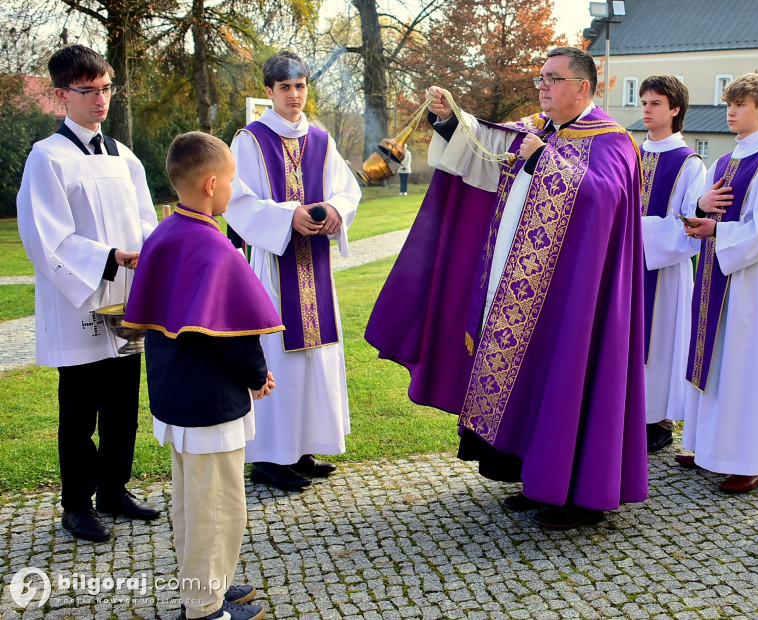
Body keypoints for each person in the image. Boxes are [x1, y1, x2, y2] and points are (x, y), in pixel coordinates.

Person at [365, 46, 647, 529]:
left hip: (572, 298)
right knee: (528, 378)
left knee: (565, 378)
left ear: (583, 88)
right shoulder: (535, 128)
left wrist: (547, 164)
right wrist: (450, 121)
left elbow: (605, 198)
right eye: (540, 77)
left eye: (553, 79)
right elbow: (486, 153)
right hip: (517, 288)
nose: (542, 86)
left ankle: (576, 496)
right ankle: (533, 476)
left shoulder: (613, 140)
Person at [124, 132, 283, 620]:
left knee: (193, 502)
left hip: (176, 394)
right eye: (232, 181)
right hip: (210, 403)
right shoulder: (213, 250)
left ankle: (213, 580)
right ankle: (204, 607)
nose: (233, 189)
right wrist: (258, 376)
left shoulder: (165, 234)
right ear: (213, 184)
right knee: (218, 507)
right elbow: (234, 335)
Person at [16, 45, 160, 542]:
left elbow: (147, 217)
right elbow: (43, 233)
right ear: (61, 95)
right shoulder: (47, 157)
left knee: (123, 402)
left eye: (105, 88)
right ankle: (77, 504)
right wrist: (105, 258)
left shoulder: (124, 156)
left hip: (126, 299)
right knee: (80, 410)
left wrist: (139, 250)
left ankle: (114, 490)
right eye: (88, 90)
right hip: (79, 298)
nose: (101, 100)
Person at [224, 51, 362, 491]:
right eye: (284, 87)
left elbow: (347, 189)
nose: (294, 95)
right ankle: (268, 458)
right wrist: (288, 217)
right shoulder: (250, 140)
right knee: (277, 357)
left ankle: (302, 449)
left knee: (315, 361)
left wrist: (336, 211)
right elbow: (236, 200)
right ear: (269, 91)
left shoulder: (321, 139)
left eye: (300, 86)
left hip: (315, 270)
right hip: (272, 268)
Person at [674, 73, 758, 492]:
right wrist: (696, 213)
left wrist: (719, 234)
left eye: (741, 105)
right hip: (715, 275)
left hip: (751, 283)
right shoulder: (725, 161)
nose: (731, 111)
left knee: (744, 367)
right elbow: (701, 207)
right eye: (729, 104)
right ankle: (707, 444)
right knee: (714, 360)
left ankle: (751, 458)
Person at [635, 75, 706, 452]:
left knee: (663, 342)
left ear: (674, 109)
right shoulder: (631, 154)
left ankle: (659, 418)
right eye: (644, 102)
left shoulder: (690, 163)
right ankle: (630, 413)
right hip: (628, 270)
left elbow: (689, 225)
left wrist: (635, 233)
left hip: (666, 272)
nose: (646, 109)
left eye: (655, 103)